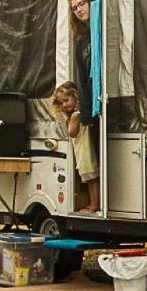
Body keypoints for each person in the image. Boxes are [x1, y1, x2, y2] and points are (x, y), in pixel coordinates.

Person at [68, 0, 101, 213]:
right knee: (93, 159)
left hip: (108, 104)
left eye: (82, 4)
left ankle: (97, 203)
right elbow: (82, 78)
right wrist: (86, 111)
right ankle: (95, 203)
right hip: (94, 108)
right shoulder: (82, 41)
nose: (79, 10)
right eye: (75, 8)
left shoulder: (103, 32)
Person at [51, 81, 98, 213]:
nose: (64, 105)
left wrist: (69, 120)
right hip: (85, 147)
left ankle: (94, 204)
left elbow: (72, 132)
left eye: (66, 100)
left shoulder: (75, 115)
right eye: (61, 103)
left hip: (84, 148)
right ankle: (93, 203)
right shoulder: (81, 111)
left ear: (75, 96)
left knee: (91, 177)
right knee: (91, 177)